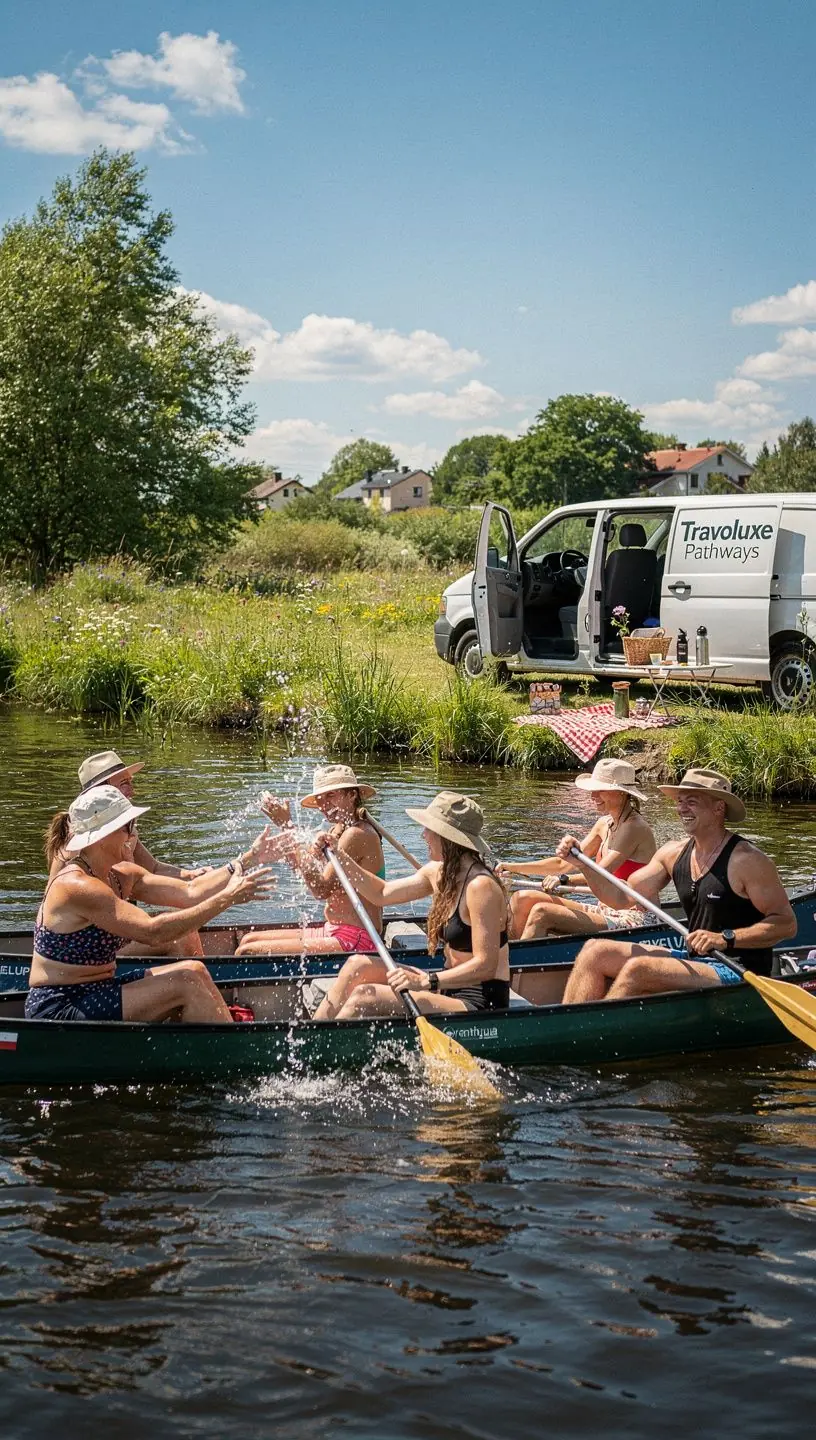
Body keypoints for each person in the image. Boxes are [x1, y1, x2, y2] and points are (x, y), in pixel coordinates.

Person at [27, 786, 275, 1024]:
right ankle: (230, 1055)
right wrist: (227, 898)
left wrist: (248, 858)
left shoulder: (120, 874)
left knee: (194, 972)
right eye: (128, 826)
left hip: (99, 990)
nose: (133, 835)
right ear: (101, 837)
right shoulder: (76, 886)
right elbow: (152, 931)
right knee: (187, 980)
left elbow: (191, 891)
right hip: (61, 1006)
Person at [557, 768, 796, 1004]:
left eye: (691, 802)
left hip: (738, 969)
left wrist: (725, 938)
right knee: (594, 951)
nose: (681, 809)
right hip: (697, 960)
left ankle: (593, 1033)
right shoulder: (672, 853)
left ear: (719, 808)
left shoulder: (747, 860)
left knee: (639, 968)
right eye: (680, 802)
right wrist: (584, 866)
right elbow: (620, 898)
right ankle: (569, 1028)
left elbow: (786, 924)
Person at [310, 791, 510, 1021]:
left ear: (448, 838)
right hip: (445, 986)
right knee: (357, 965)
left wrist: (427, 981)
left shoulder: (481, 887)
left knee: (365, 996)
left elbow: (486, 965)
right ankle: (313, 1035)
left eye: (429, 829)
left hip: (480, 1002)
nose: (423, 835)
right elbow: (381, 894)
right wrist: (340, 855)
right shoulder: (437, 872)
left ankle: (324, 1049)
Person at [65, 750, 282, 958]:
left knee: (185, 942)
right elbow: (152, 930)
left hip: (117, 935)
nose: (133, 791)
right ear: (102, 791)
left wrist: (244, 860)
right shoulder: (74, 863)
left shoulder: (123, 863)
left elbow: (164, 876)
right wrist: (226, 898)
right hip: (89, 952)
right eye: (125, 784)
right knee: (182, 937)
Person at [498, 759, 657, 939]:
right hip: (605, 910)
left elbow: (601, 873)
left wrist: (564, 880)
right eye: (593, 790)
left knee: (542, 912)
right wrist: (510, 867)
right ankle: (508, 960)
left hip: (637, 917)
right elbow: (562, 864)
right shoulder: (603, 824)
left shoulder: (634, 827)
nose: (593, 796)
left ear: (621, 792)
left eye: (600, 790)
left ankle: (521, 965)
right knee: (522, 899)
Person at [236, 765, 385, 956]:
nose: (324, 806)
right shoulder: (337, 831)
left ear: (352, 795)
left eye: (331, 796)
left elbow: (320, 889)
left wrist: (288, 826)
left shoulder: (357, 834)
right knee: (249, 939)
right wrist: (286, 833)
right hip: (334, 929)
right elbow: (304, 867)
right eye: (320, 800)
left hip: (358, 938)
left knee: (249, 951)